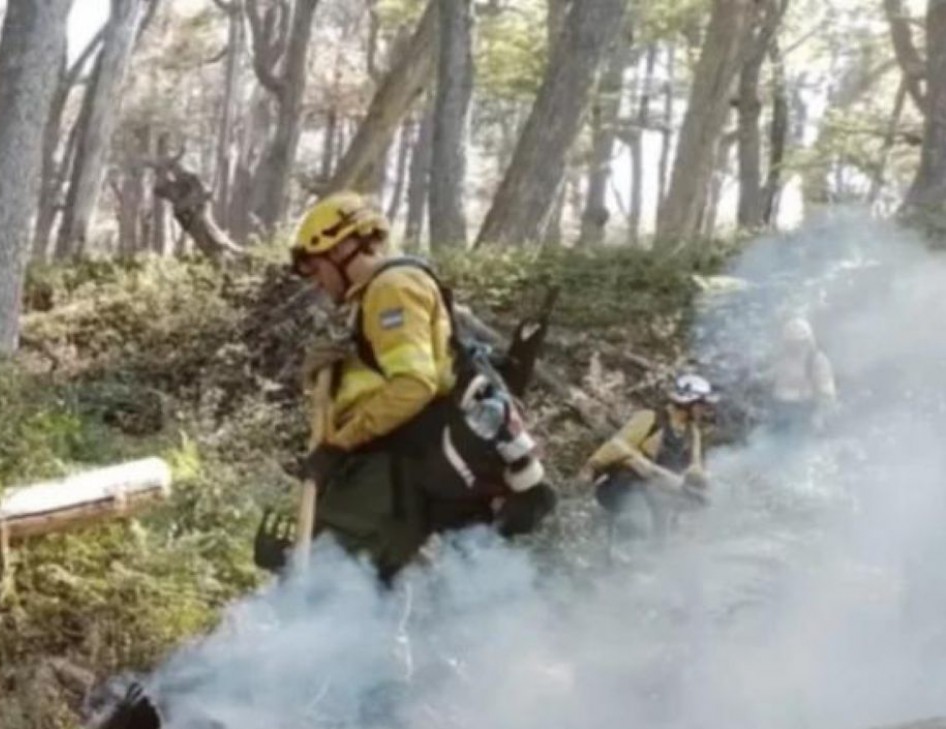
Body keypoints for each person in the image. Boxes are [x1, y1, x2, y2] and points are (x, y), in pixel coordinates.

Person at [277, 192, 553, 582]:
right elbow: (383, 380)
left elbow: (414, 384)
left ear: (341, 249)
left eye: (316, 268)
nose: (318, 282)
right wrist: (328, 373)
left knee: (329, 582)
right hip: (387, 465)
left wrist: (339, 444)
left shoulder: (392, 288)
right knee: (353, 589)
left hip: (393, 465)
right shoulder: (376, 294)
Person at [582, 372, 716, 549]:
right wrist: (591, 468)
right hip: (626, 487)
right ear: (688, 402)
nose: (704, 409)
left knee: (668, 529)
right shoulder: (650, 418)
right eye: (702, 404)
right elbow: (616, 446)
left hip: (660, 493)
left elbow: (694, 466)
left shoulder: (692, 433)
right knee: (639, 519)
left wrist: (699, 481)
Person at [766, 317, 835, 437]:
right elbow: (771, 381)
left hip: (805, 410)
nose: (794, 346)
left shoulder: (817, 360)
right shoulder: (779, 359)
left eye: (798, 342)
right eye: (790, 342)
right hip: (780, 409)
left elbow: (827, 393)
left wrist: (819, 414)